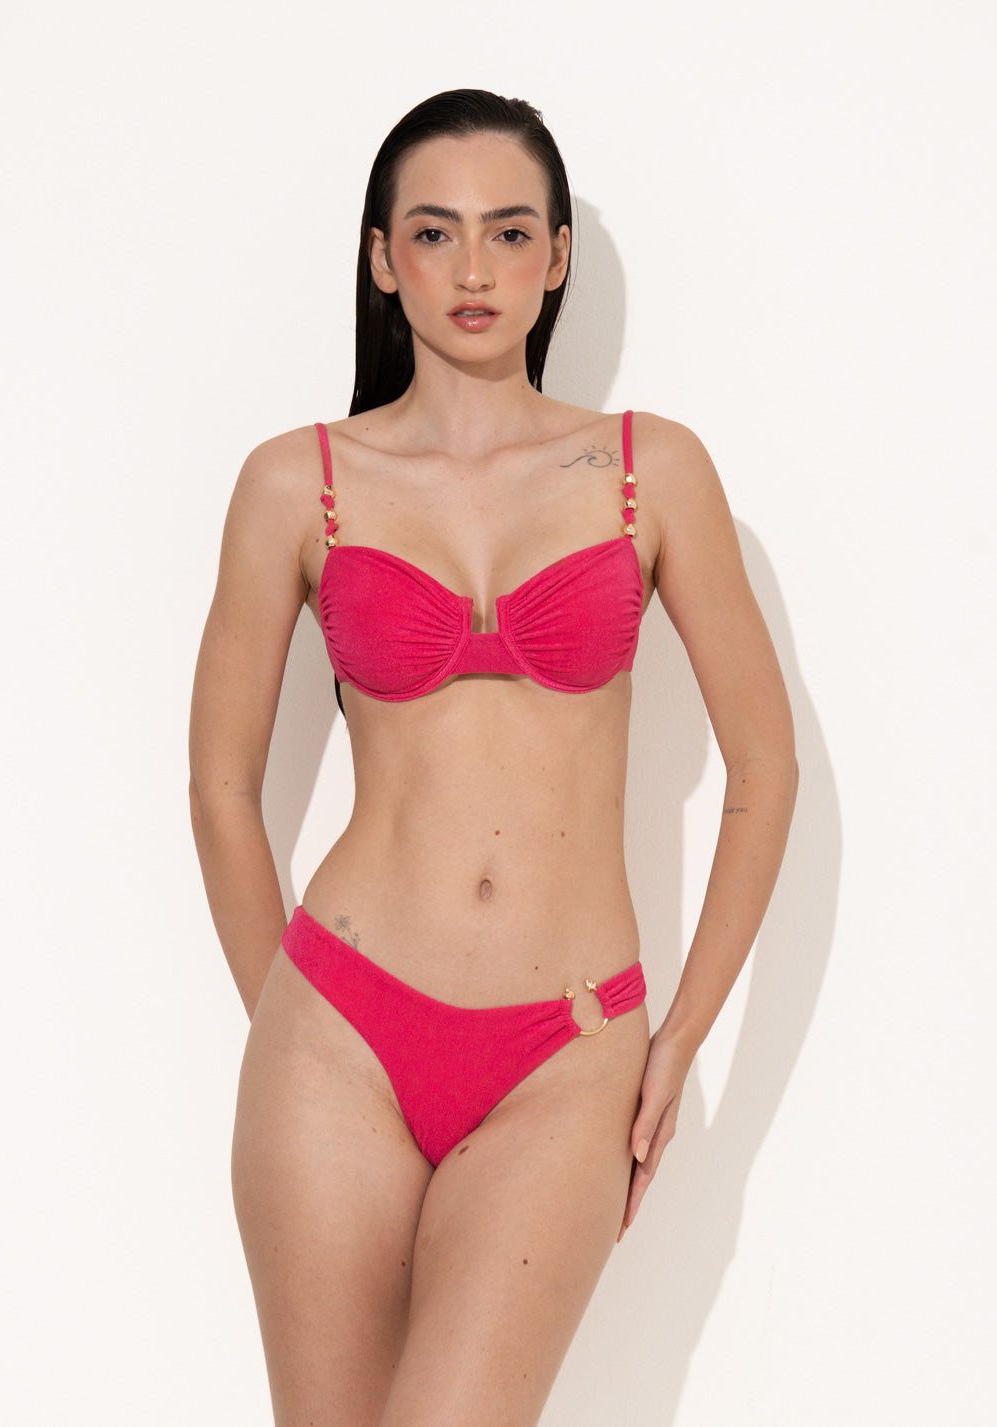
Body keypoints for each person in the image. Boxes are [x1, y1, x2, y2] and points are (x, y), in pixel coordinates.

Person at [189, 88, 797, 1427]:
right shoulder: (296, 482)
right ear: (382, 258)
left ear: (557, 256)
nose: (474, 269)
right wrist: (287, 1017)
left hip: (566, 1051)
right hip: (337, 1035)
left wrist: (678, 1039)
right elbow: (222, 789)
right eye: (435, 232)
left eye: (511, 233)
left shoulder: (652, 470)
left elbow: (766, 771)